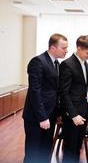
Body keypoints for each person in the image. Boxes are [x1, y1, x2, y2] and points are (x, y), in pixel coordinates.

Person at [22, 33, 68, 163]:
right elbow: (34, 91)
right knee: (33, 152)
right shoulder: (38, 61)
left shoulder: (57, 64)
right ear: (53, 48)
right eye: (63, 48)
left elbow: (55, 91)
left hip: (51, 115)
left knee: (45, 149)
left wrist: (58, 113)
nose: (66, 50)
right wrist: (42, 117)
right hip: (37, 117)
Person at [59, 35, 88, 163]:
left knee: (77, 147)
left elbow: (82, 87)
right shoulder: (67, 65)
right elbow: (64, 93)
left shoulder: (85, 64)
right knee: (70, 149)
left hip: (84, 111)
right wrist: (73, 115)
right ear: (79, 49)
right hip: (73, 114)